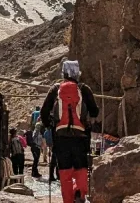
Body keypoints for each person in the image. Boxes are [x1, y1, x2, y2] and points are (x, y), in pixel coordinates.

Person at [41, 61, 99, 203]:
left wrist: (50, 124)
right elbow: (95, 111)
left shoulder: (55, 89)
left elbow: (43, 113)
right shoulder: (84, 89)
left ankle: (68, 199)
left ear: (64, 73)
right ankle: (79, 192)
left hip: (61, 138)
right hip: (81, 137)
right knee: (81, 167)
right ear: (77, 73)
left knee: (65, 171)